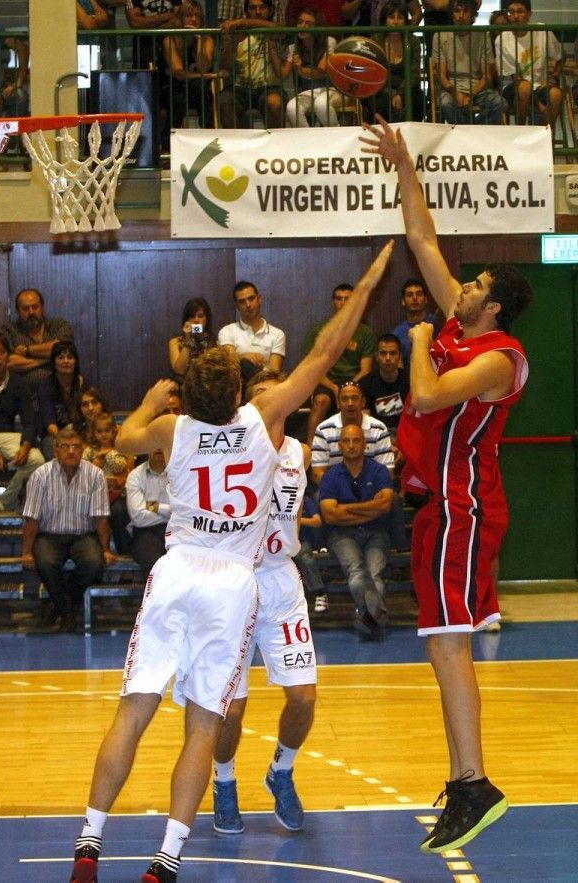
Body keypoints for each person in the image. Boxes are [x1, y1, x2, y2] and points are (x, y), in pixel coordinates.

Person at [68, 239, 394, 883]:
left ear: (188, 394)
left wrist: (154, 399)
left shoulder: (173, 429)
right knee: (202, 726)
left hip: (179, 568)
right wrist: (371, 277)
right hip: (232, 582)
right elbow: (328, 350)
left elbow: (122, 439)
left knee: (131, 713)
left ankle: (88, 843)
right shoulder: (264, 416)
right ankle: (166, 859)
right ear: (240, 390)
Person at [361, 115, 532, 853]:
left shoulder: (500, 357)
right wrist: (403, 166)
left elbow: (427, 396)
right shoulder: (465, 321)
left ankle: (475, 781)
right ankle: (467, 779)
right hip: (438, 507)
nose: (461, 289)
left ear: (491, 307)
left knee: (449, 642)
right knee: (441, 641)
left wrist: (423, 338)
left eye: (477, 287)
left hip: (462, 507)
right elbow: (425, 240)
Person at [212, 369, 316, 835]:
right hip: (234, 581)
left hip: (280, 581)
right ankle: (224, 781)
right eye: (260, 396)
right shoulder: (226, 450)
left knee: (303, 697)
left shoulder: (301, 453)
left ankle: (282, 770)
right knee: (230, 709)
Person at [22, 426, 116, 633]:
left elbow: (101, 517)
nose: (71, 451)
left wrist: (106, 549)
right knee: (45, 563)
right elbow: (32, 518)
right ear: (55, 450)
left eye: (76, 447)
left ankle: (57, 605)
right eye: (65, 446)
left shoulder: (95, 475)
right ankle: (67, 612)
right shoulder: (40, 475)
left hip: (83, 535)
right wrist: (27, 552)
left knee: (94, 563)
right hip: (49, 535)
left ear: (83, 450)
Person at [319, 423, 394, 638]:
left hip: (376, 532)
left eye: (356, 440)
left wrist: (345, 508)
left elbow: (385, 506)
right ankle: (373, 616)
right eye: (346, 441)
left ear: (365, 444)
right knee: (356, 571)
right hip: (342, 534)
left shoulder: (378, 471)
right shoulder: (331, 476)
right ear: (340, 445)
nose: (351, 445)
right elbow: (330, 515)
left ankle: (365, 615)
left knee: (374, 574)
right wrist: (370, 507)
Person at [0, 332, 44, 512]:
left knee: (37, 460)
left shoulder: (18, 382)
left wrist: (25, 445)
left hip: (8, 436)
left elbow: (30, 421)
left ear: (8, 356)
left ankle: (3, 505)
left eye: (2, 352)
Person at [303, 283, 376, 444]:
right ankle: (309, 451)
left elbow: (366, 369)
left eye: (347, 299)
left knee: (361, 402)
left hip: (356, 381)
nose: (343, 303)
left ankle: (367, 447)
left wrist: (348, 388)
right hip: (327, 382)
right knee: (321, 401)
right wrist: (335, 388)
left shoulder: (365, 333)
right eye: (339, 299)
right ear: (333, 302)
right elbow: (312, 370)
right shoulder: (319, 332)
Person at [433, 0, 503, 126]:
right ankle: (472, 130)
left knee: (499, 103)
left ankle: (468, 129)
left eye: (465, 11)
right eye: (457, 11)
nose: (461, 15)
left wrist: (470, 95)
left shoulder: (482, 36)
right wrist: (456, 93)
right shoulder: (440, 36)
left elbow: (487, 76)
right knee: (445, 104)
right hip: (451, 89)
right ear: (451, 13)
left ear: (472, 14)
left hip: (478, 89)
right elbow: (442, 76)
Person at [310, 380, 393, 487]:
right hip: (335, 489)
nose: (350, 403)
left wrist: (364, 488)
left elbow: (387, 472)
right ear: (338, 403)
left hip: (370, 487)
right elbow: (317, 474)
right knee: (318, 498)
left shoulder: (379, 429)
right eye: (344, 399)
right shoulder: (323, 429)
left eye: (354, 398)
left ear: (363, 402)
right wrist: (345, 490)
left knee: (393, 499)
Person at [495, 0, 562, 128]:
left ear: (529, 14)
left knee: (556, 94)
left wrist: (553, 78)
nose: (515, 16)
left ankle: (543, 133)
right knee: (524, 87)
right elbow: (515, 77)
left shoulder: (542, 30)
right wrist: (539, 103)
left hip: (539, 85)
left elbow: (560, 56)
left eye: (520, 11)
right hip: (513, 87)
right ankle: (521, 131)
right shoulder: (502, 39)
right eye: (511, 12)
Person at [219, 0, 285, 128]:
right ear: (247, 11)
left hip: (269, 87)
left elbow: (280, 28)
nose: (258, 11)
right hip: (238, 87)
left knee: (275, 103)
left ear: (270, 10)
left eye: (262, 7)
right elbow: (225, 66)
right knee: (224, 103)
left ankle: (275, 146)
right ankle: (236, 146)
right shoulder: (236, 32)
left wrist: (243, 21)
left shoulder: (276, 30)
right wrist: (232, 45)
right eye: (253, 8)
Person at [0, 288, 74, 392]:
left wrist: (26, 350)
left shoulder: (59, 326)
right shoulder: (9, 331)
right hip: (23, 396)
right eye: (25, 309)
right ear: (17, 311)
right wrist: (50, 359)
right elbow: (8, 363)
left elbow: (61, 349)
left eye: (35, 307)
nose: (31, 312)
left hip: (59, 394)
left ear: (42, 307)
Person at [363, 0, 424, 124]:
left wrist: (400, 94)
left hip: (406, 88)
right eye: (391, 17)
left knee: (417, 98)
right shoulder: (375, 41)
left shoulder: (413, 41)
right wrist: (392, 95)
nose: (396, 22)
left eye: (400, 17)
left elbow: (413, 74)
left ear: (405, 21)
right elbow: (373, 75)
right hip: (382, 89)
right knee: (378, 100)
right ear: (385, 20)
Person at [282, 7, 343, 128]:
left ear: (317, 27)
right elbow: (283, 74)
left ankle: (335, 139)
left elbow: (321, 71)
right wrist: (271, 48)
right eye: (300, 22)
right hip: (308, 92)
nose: (303, 26)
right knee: (291, 107)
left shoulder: (329, 41)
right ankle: (309, 142)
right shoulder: (293, 47)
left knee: (321, 104)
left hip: (332, 89)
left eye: (308, 24)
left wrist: (300, 69)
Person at [161, 1, 216, 132]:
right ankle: (168, 142)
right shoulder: (170, 39)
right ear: (180, 19)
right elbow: (178, 73)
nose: (193, 19)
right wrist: (211, 75)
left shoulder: (207, 39)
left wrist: (199, 40)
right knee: (179, 100)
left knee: (200, 87)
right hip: (173, 86)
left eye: (197, 16)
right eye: (188, 16)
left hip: (196, 88)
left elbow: (203, 68)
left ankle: (208, 135)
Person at [82, 412, 133, 553]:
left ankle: (124, 552)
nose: (103, 435)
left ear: (113, 431)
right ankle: (95, 551)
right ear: (93, 432)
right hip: (94, 493)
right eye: (99, 431)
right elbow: (83, 471)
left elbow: (121, 466)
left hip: (116, 493)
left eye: (107, 431)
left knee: (119, 511)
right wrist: (96, 463)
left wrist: (108, 455)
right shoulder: (90, 451)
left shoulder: (119, 449)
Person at [217, 280, 286, 381]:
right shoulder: (227, 331)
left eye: (251, 298)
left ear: (259, 299)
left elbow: (274, 372)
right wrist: (243, 357)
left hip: (264, 388)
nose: (248, 304)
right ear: (237, 306)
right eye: (242, 301)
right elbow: (228, 361)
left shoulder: (277, 334)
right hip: (236, 387)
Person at [36, 339, 86, 460]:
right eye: (61, 357)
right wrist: (65, 441)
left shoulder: (84, 384)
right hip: (54, 435)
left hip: (81, 434)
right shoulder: (46, 385)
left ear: (76, 361)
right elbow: (49, 421)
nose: (66, 361)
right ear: (53, 362)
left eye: (70, 357)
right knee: (54, 448)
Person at [125, 448, 170, 578]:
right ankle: (155, 598)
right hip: (145, 531)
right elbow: (138, 517)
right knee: (154, 565)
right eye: (154, 443)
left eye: (162, 442)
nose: (158, 448)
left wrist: (152, 506)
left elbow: (183, 510)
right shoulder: (135, 476)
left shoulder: (180, 472)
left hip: (177, 528)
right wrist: (168, 511)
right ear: (147, 446)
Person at [358, 333, 409, 439]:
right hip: (376, 436)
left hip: (405, 435)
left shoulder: (410, 380)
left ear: (400, 356)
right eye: (383, 353)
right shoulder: (365, 384)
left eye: (393, 353)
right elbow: (366, 423)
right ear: (376, 356)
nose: (388, 358)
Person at [391, 278, 440, 366]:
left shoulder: (438, 322)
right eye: (410, 295)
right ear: (403, 301)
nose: (414, 298)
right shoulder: (397, 334)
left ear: (425, 299)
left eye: (419, 294)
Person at [168, 298, 215, 380]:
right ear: (186, 319)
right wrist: (188, 339)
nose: (196, 320)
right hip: (182, 387)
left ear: (206, 319)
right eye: (192, 316)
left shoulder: (214, 342)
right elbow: (180, 370)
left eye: (200, 316)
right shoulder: (175, 342)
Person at [125, 0, 182, 69]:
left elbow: (177, 21)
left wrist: (145, 27)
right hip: (143, 47)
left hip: (170, 46)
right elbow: (135, 23)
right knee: (144, 76)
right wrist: (167, 16)